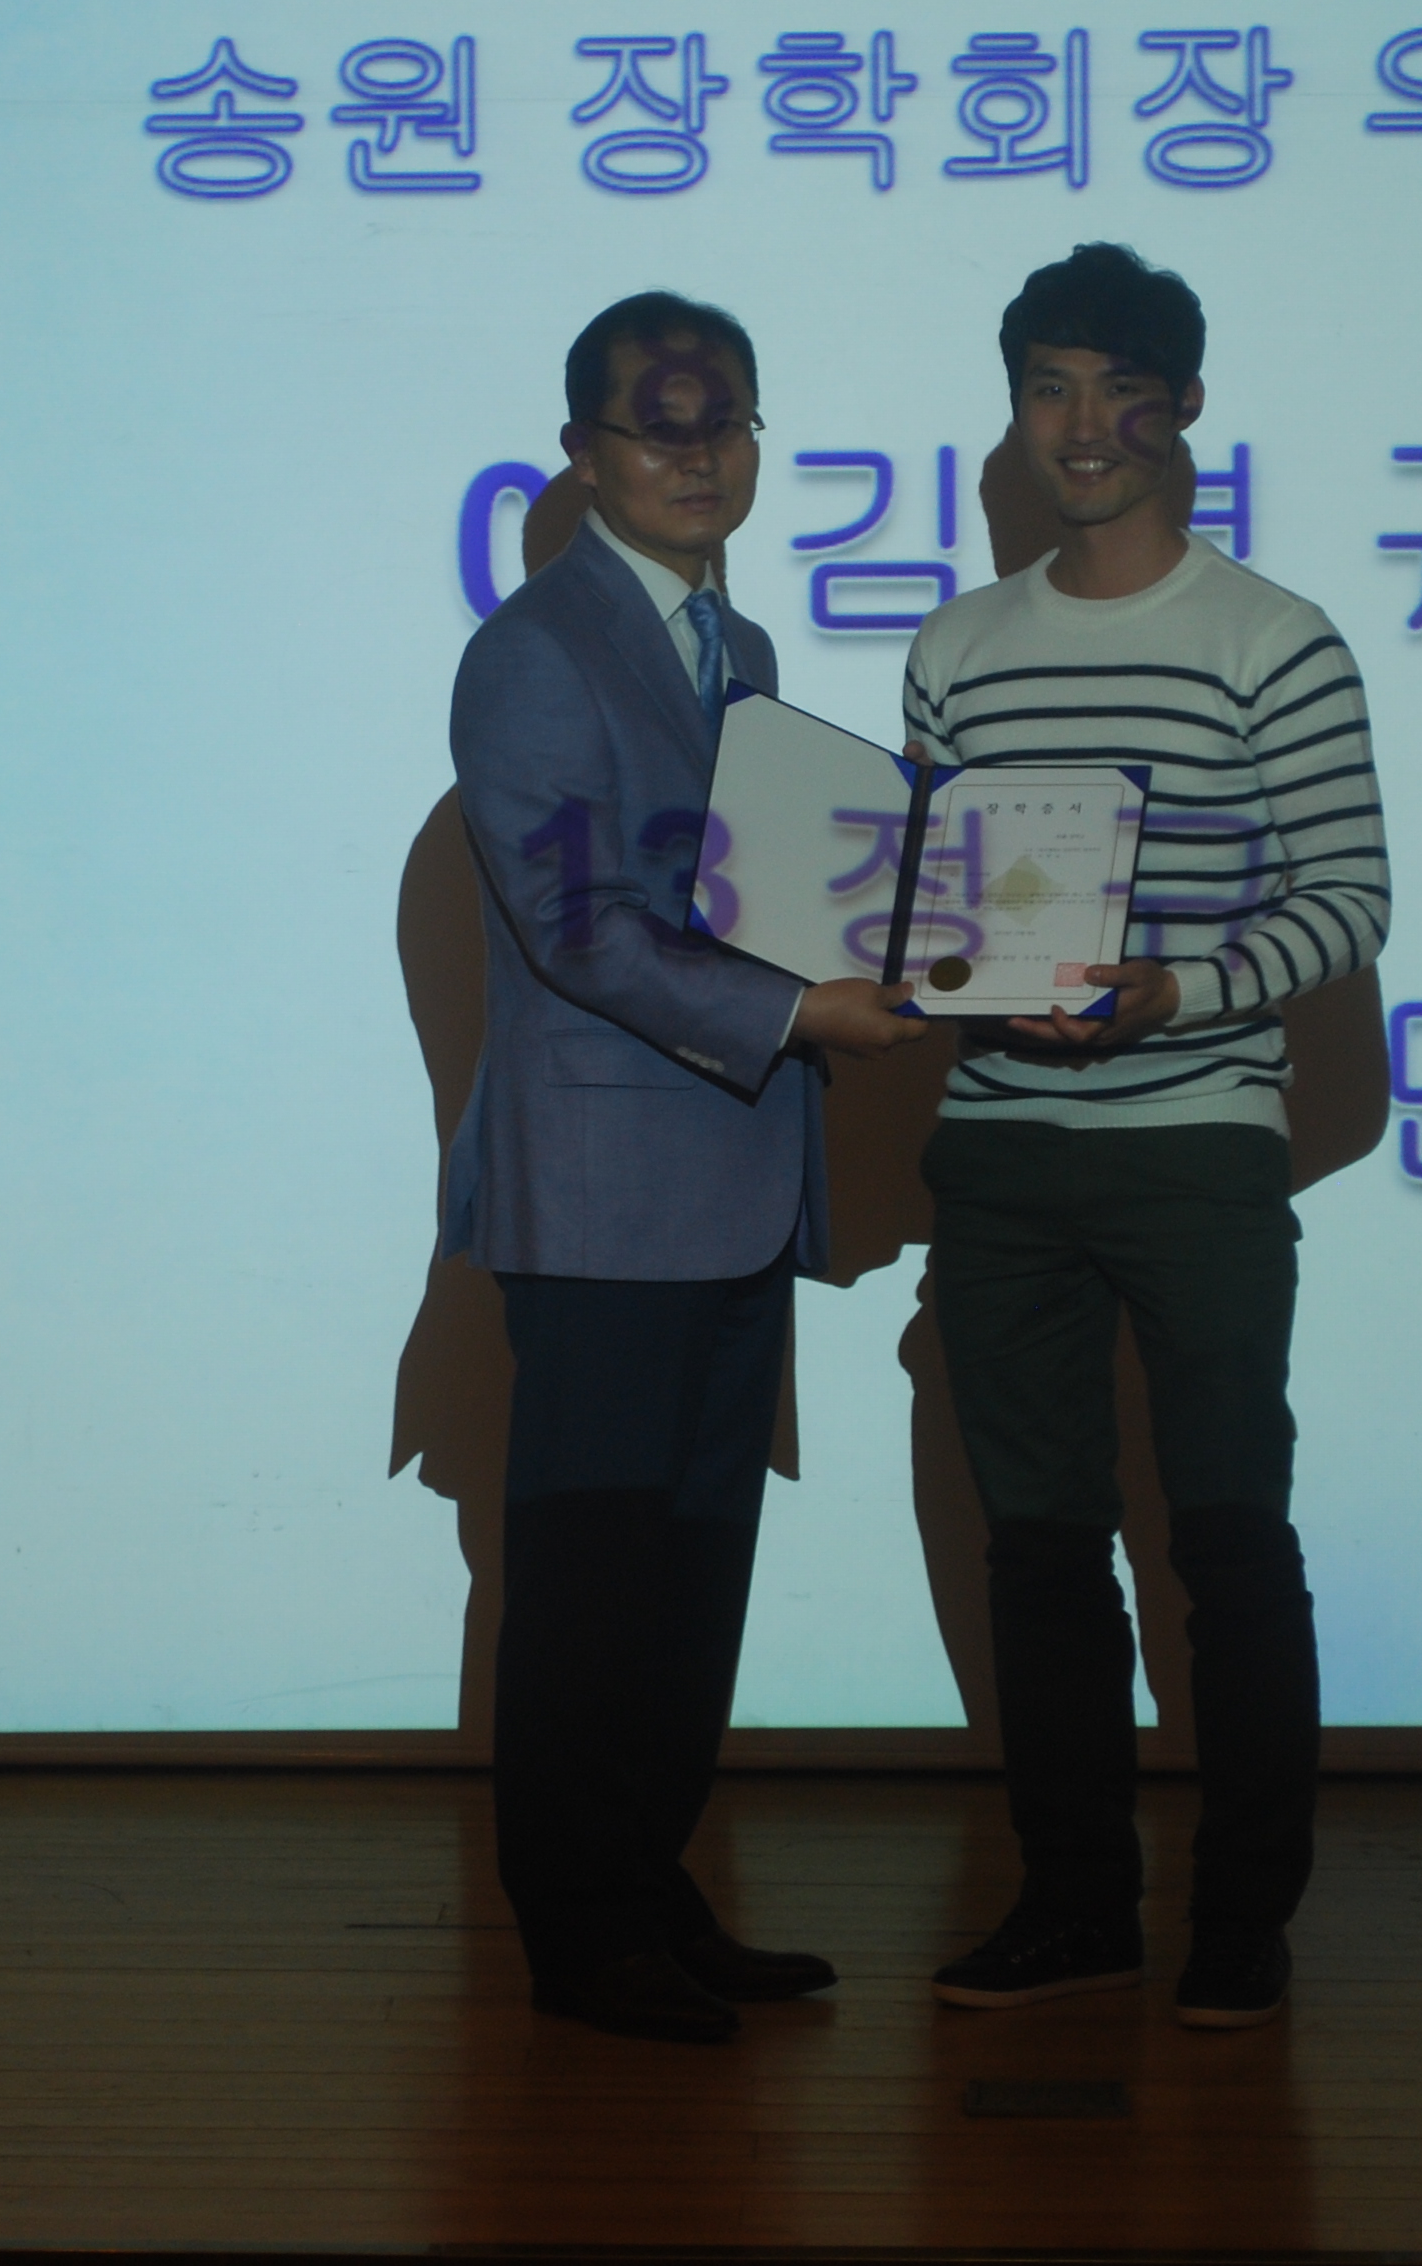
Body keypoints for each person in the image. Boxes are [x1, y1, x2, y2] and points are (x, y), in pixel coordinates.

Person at [898, 242, 1391, 2030]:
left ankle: (1241, 1919)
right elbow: (942, 916)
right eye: (1050, 387)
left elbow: (1350, 899)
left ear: (1183, 407)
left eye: (1119, 389)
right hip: (1002, 1145)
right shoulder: (956, 650)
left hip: (1197, 1144)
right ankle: (1076, 1907)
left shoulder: (1271, 637)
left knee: (1229, 1540)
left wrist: (1180, 992)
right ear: (1016, 413)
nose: (1083, 424)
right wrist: (939, 975)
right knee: (1037, 1549)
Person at [442, 289, 929, 2043]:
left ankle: (655, 1892)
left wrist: (912, 921)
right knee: (590, 1590)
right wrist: (802, 1011)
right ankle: (578, 1937)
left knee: (692, 1581)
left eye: (725, 421)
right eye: (660, 427)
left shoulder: (747, 648)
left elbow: (757, 899)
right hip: (603, 1197)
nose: (698, 454)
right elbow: (578, 927)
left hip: (732, 1178)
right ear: (583, 453)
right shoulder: (536, 651)